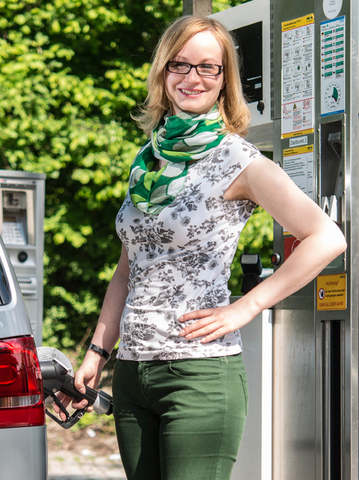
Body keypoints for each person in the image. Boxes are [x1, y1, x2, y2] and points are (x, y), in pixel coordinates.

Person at [65, 15, 347, 480]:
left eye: (207, 68)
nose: (192, 78)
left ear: (223, 81)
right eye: (180, 65)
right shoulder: (148, 162)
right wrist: (98, 352)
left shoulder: (239, 159)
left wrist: (245, 307)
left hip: (199, 374)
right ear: (162, 72)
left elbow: (327, 238)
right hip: (134, 373)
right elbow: (128, 269)